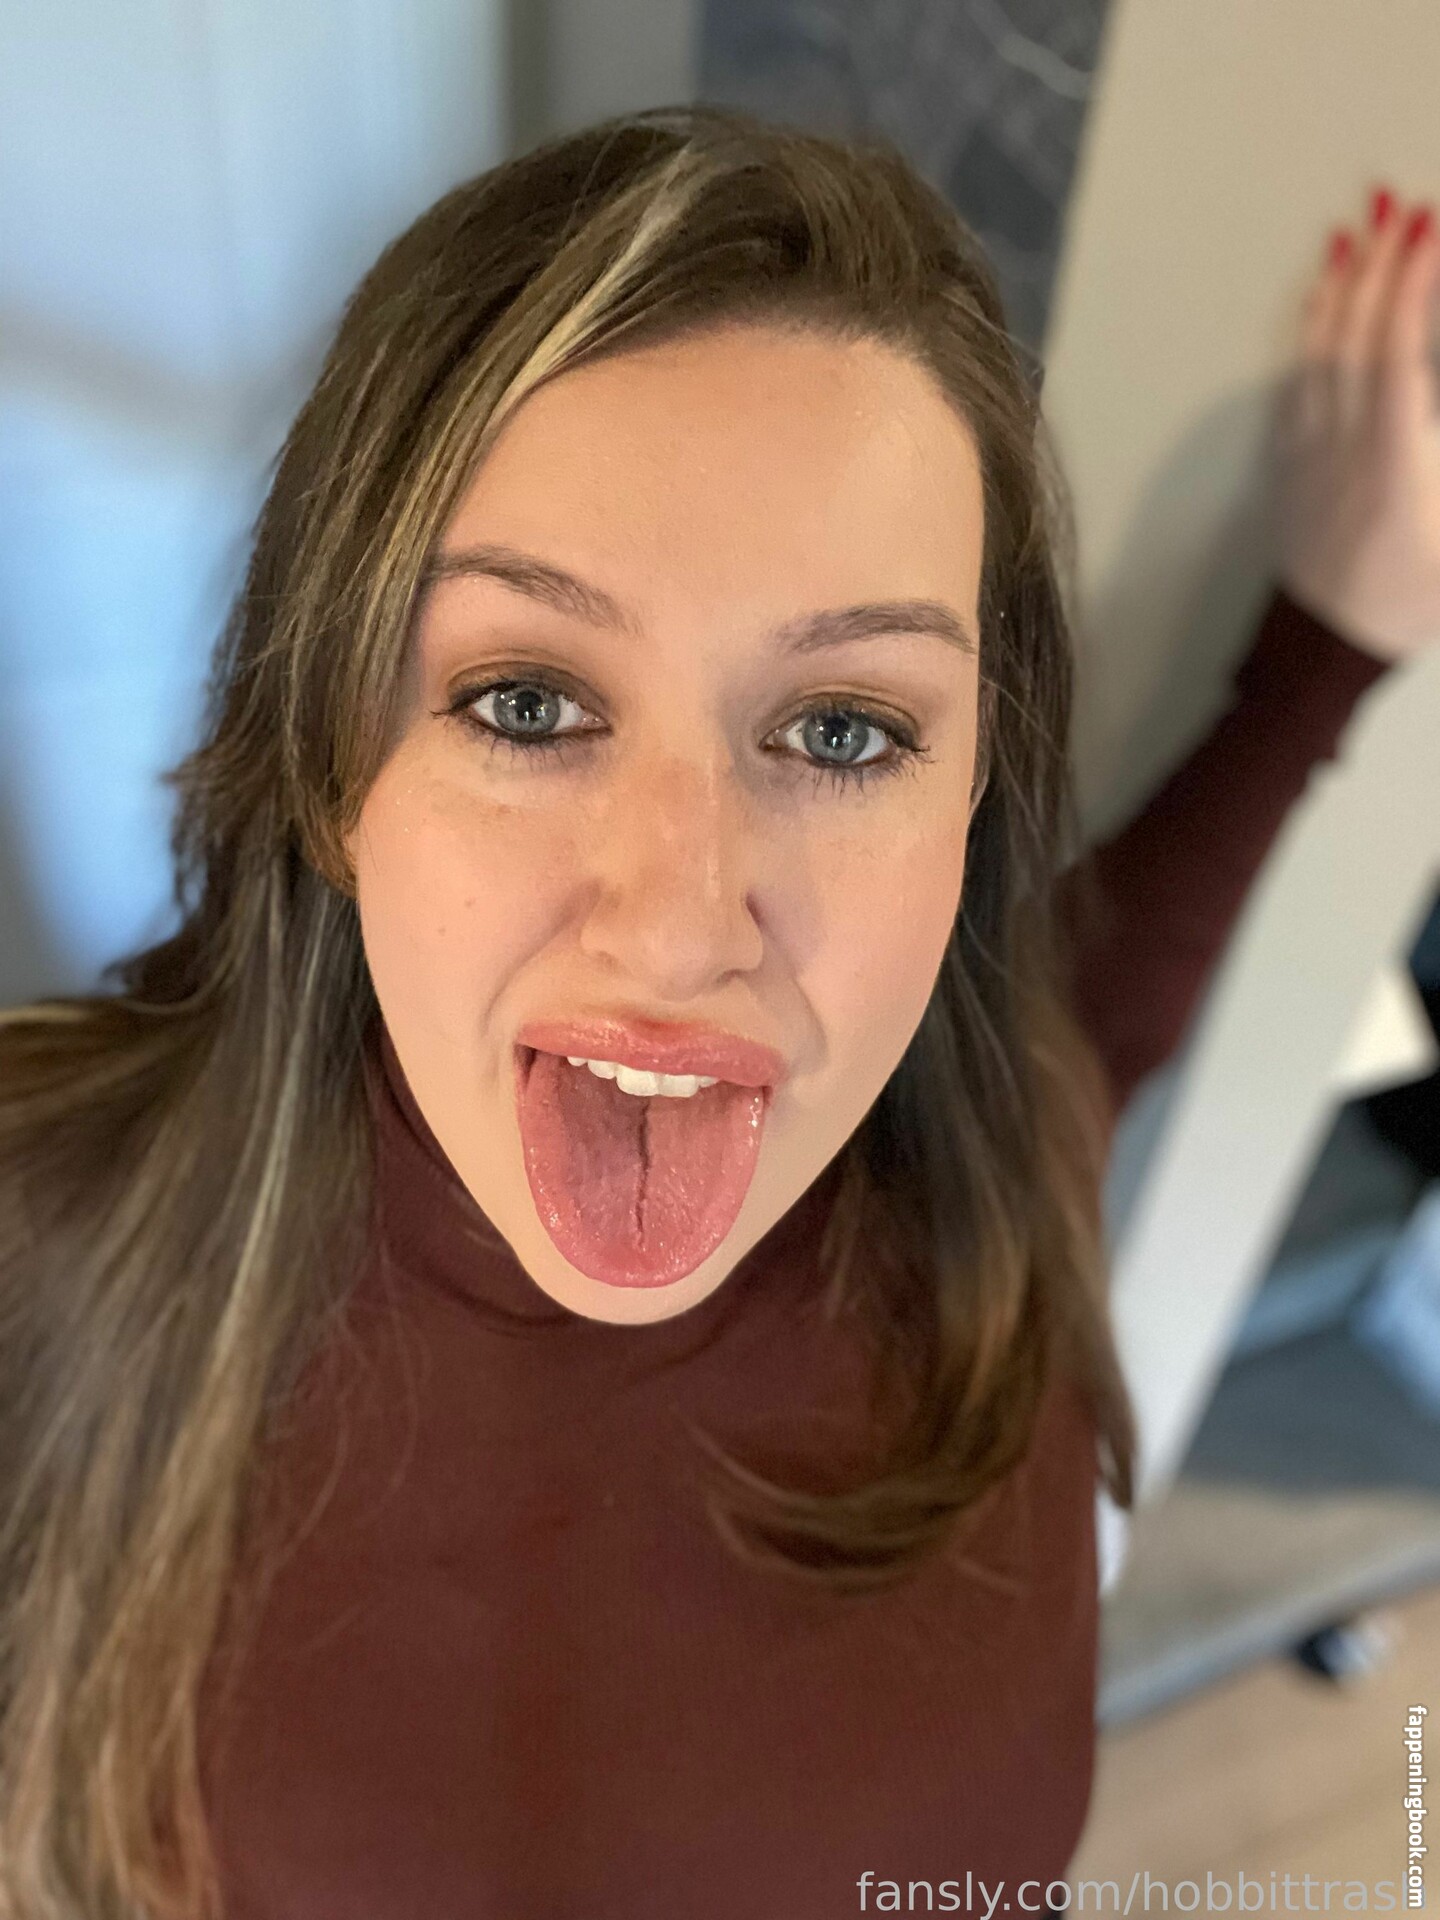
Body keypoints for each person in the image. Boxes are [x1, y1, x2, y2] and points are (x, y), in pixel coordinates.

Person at [0, 109, 1433, 1920]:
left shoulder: (991, 1182)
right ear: (332, 771)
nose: (682, 933)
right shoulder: (38, 1246)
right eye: (528, 702)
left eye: (843, 730)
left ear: (970, 814)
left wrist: (1336, 640)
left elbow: (1107, 1001)